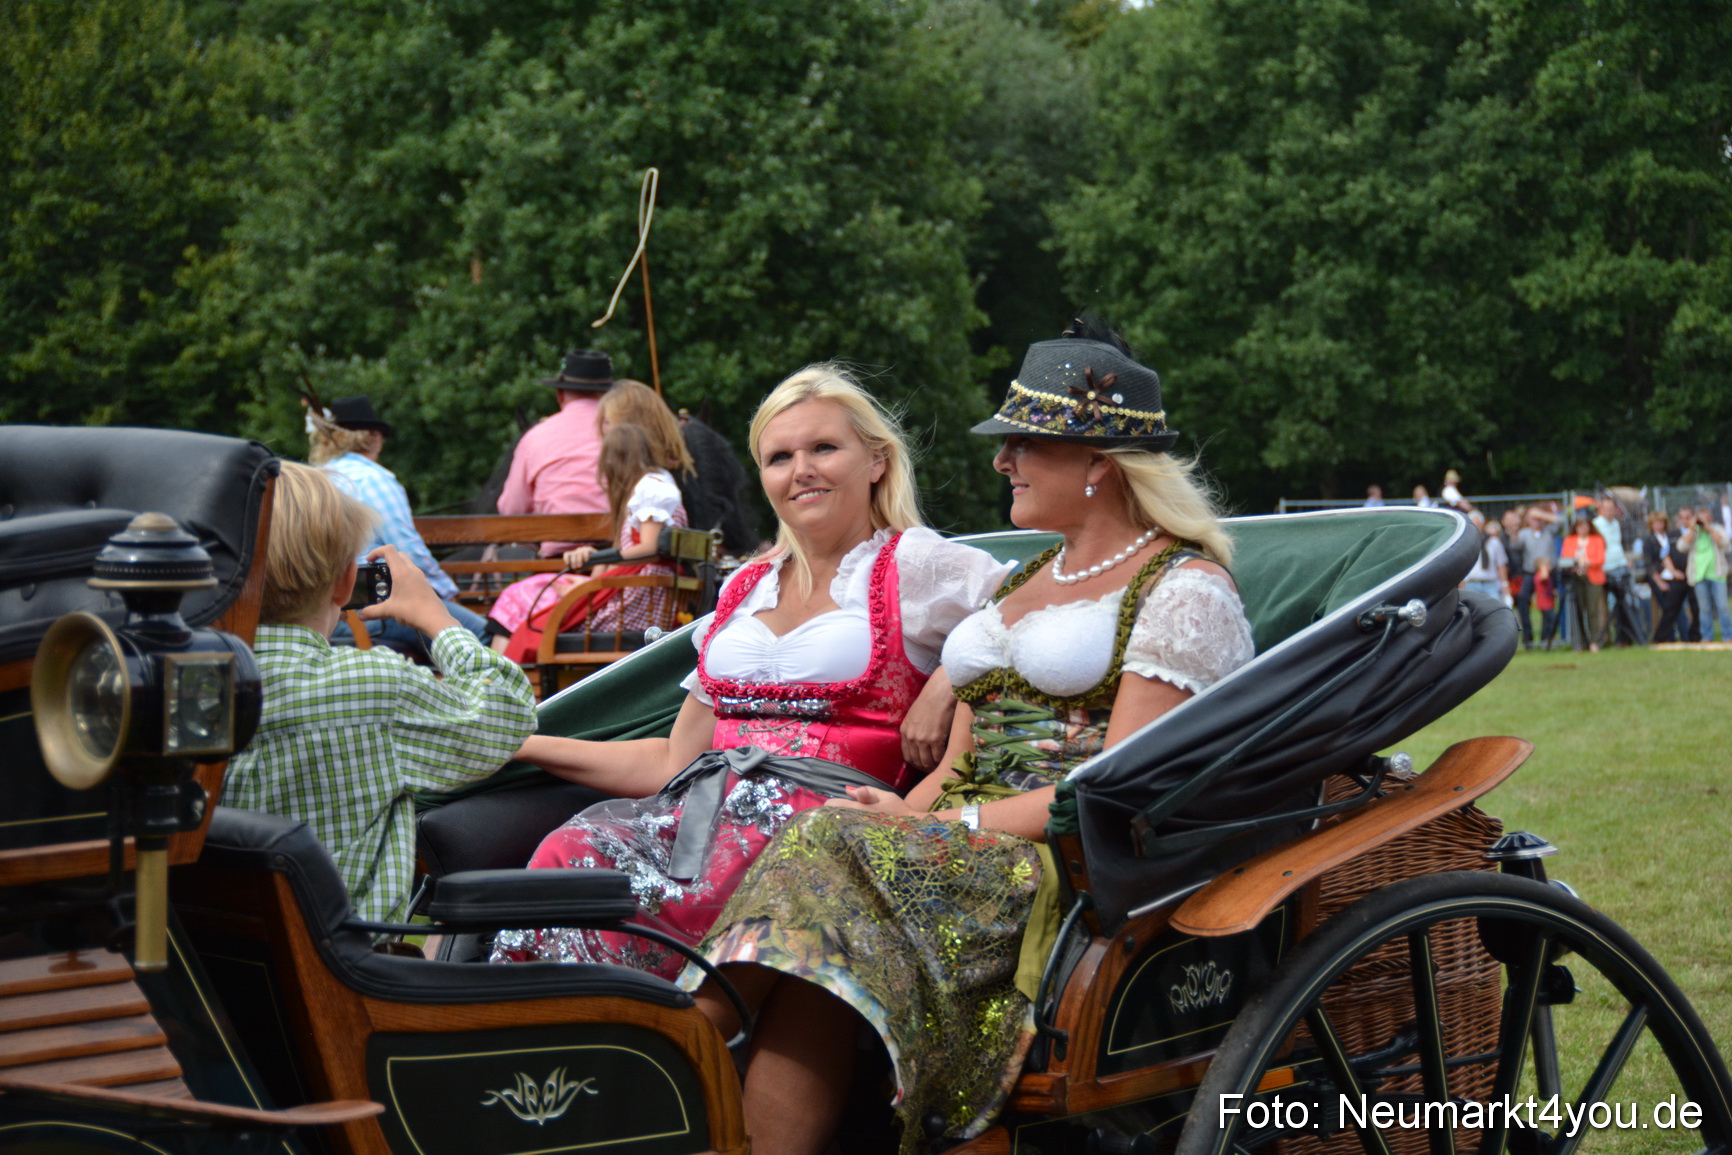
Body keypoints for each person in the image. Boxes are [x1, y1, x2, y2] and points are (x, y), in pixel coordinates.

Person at [680, 320, 1255, 1155]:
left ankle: (686, 1021)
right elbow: (958, 761)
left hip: (1061, 858)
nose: (1001, 462)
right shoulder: (1025, 581)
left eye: (1022, 444)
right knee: (833, 854)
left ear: (1098, 464)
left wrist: (944, 826)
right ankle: (694, 1044)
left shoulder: (1184, 587)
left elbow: (1117, 787)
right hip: (959, 835)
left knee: (824, 836)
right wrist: (904, 809)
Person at [490, 365, 1012, 976]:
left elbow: (1034, 601)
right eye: (779, 457)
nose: (801, 470)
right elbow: (672, 761)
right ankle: (564, 1050)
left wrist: (953, 674)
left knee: (717, 877)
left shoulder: (917, 563)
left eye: (824, 448)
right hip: (703, 817)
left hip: (826, 832)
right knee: (568, 852)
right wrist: (524, 745)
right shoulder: (746, 586)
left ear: (876, 461)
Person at [224, 464, 537, 923]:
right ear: (347, 582)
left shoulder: (180, 687)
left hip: (221, 968)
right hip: (355, 974)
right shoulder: (372, 688)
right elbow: (507, 714)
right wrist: (437, 618)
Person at [485, 423, 689, 660]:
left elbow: (650, 549)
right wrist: (596, 560)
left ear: (614, 461)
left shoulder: (650, 489)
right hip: (636, 592)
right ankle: (502, 670)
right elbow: (638, 553)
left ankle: (499, 675)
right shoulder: (658, 484)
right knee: (527, 591)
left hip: (634, 603)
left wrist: (597, 563)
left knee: (523, 594)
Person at [307, 396, 492, 650]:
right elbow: (408, 551)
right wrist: (448, 593)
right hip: (375, 607)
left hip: (327, 614)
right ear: (372, 436)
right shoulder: (374, 480)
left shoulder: (316, 480)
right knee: (482, 634)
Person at [599, 379, 761, 552]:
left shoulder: (662, 477)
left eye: (607, 422)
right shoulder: (645, 473)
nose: (603, 431)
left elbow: (709, 525)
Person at [498, 348, 613, 553]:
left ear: (560, 395)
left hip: (558, 563)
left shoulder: (534, 437)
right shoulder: (628, 434)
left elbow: (511, 510)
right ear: (607, 395)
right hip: (618, 555)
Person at [1557, 509, 1608, 652]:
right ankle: (1580, 641)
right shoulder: (1569, 540)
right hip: (1576, 578)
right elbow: (1566, 557)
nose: (1582, 529)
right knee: (1578, 609)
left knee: (1592, 609)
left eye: (1585, 526)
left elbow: (1601, 558)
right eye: (1579, 526)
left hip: (1593, 577)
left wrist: (1588, 562)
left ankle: (1594, 641)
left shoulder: (1597, 540)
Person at [1680, 505, 1732, 641]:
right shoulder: (1693, 532)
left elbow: (1725, 543)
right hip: (1699, 575)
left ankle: (1728, 636)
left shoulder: (1717, 529)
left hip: (1717, 574)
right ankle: (1707, 637)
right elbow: (1681, 546)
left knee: (1723, 607)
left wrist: (1709, 529)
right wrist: (1692, 528)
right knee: (1704, 609)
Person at [1513, 505, 1558, 649]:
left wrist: (1541, 514)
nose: (1537, 522)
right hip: (1530, 573)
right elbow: (1515, 546)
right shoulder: (1524, 534)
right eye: (1534, 519)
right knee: (1523, 602)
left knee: (1547, 605)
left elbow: (1562, 521)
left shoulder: (1549, 532)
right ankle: (1528, 639)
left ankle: (1546, 638)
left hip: (1546, 574)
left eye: (1539, 519)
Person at [1642, 509, 1690, 643]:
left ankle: (1685, 636)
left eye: (1661, 523)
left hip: (1674, 577)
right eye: (1655, 523)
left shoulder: (1671, 536)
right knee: (1669, 609)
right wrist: (1658, 582)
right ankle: (1668, 638)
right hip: (1660, 578)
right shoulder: (1649, 540)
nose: (1659, 526)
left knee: (1678, 608)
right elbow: (1649, 564)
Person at [1463, 512, 1508, 604]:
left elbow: (1501, 565)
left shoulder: (1493, 542)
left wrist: (1505, 584)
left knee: (1496, 608)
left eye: (1478, 525)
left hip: (1490, 583)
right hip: (1471, 583)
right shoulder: (1464, 543)